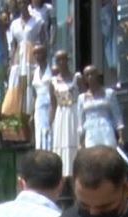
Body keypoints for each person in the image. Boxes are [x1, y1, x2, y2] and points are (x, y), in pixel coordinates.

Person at [50, 50, 81, 181]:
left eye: (64, 59)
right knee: (61, 144)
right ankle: (63, 178)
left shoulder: (76, 78)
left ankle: (75, 174)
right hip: (61, 114)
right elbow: (53, 103)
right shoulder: (53, 81)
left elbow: (83, 98)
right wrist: (50, 121)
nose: (62, 62)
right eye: (59, 60)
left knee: (74, 140)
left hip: (74, 112)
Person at [78, 69, 123, 148]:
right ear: (85, 79)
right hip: (90, 131)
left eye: (92, 74)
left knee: (109, 153)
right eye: (87, 75)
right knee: (92, 156)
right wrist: (80, 140)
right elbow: (80, 120)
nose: (90, 77)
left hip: (106, 129)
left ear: (97, 75)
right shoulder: (81, 98)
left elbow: (117, 115)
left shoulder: (109, 93)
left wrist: (121, 136)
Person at [30, 45, 55, 151]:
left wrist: (53, 109)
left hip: (50, 103)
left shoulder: (52, 70)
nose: (37, 56)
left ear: (45, 54)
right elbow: (34, 94)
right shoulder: (33, 73)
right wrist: (32, 112)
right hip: (39, 106)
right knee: (39, 132)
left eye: (39, 53)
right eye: (35, 53)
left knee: (50, 131)